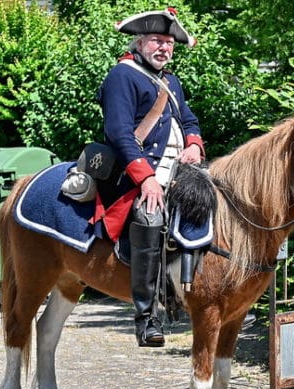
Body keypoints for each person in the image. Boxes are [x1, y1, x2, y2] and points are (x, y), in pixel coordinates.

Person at [97, 8, 204, 347]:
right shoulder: (122, 75)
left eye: (169, 43)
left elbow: (189, 120)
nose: (164, 48)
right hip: (138, 173)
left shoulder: (171, 81)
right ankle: (146, 318)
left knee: (213, 203)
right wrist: (145, 178)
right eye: (158, 41)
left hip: (178, 170)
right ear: (140, 42)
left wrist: (194, 145)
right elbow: (119, 133)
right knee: (149, 214)